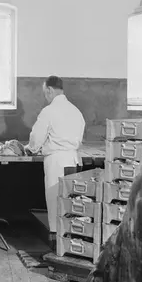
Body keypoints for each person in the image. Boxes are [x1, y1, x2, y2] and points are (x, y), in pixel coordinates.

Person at [25, 76, 86, 238]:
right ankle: (72, 237)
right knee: (71, 201)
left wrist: (31, 148)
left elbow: (36, 138)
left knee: (55, 202)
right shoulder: (76, 111)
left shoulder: (49, 111)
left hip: (56, 161)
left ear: (49, 90)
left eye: (45, 93)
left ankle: (56, 239)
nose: (45, 97)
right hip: (74, 160)